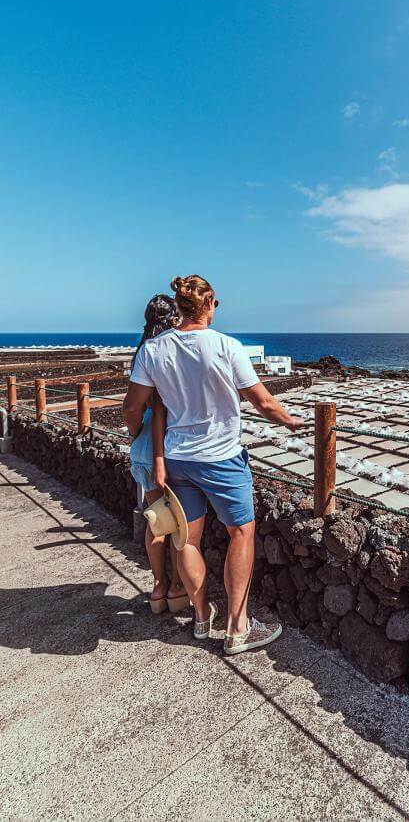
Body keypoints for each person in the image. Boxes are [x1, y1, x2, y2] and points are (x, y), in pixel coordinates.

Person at [123, 274, 304, 655]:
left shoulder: (153, 350)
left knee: (187, 540)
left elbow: (132, 407)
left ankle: (202, 617)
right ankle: (238, 628)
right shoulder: (226, 346)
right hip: (221, 458)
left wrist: (133, 431)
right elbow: (264, 403)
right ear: (209, 304)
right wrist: (291, 421)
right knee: (242, 533)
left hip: (178, 458)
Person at [127, 294, 188, 615]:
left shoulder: (144, 351)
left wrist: (135, 432)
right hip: (175, 446)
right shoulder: (176, 350)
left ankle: (158, 586)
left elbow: (132, 405)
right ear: (175, 317)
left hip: (145, 449)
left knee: (156, 519)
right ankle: (179, 587)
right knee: (179, 523)